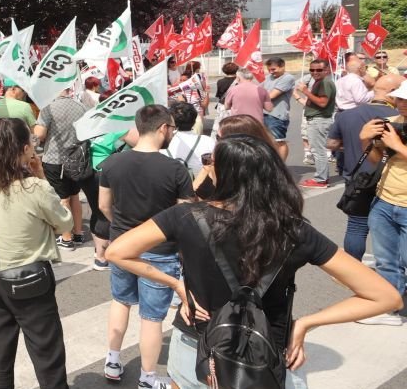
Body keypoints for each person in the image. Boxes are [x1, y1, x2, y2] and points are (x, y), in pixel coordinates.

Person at [106, 135, 403, 388]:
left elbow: (117, 252)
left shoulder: (184, 216)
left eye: (211, 160)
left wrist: (176, 285)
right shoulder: (294, 229)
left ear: (224, 172)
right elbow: (386, 297)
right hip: (266, 351)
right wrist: (306, 324)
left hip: (196, 341)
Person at [98, 104, 193, 389]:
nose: (172, 133)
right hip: (161, 249)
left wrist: (124, 229)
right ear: (163, 128)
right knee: (151, 317)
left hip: (121, 245)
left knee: (121, 300)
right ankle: (148, 378)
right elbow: (184, 215)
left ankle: (112, 361)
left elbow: (104, 205)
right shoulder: (175, 169)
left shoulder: (113, 163)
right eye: (172, 128)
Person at [0, 118, 73, 389]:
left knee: (1, 357)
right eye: (30, 141)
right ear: (24, 149)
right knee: (48, 358)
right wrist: (41, 176)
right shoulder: (35, 188)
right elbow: (66, 223)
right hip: (29, 279)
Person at [326, 74, 402, 260]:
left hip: (357, 176)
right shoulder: (396, 118)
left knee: (357, 225)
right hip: (387, 178)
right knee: (394, 229)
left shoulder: (347, 115)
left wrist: (352, 143)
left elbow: (331, 144)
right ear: (392, 94)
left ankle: (355, 268)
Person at [359, 83, 407, 325]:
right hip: (385, 199)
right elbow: (374, 159)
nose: (403, 105)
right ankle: (390, 309)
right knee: (386, 260)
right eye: (400, 99)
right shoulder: (392, 123)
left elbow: (398, 150)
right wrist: (366, 139)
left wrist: (398, 146)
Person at [33, 88, 94, 250]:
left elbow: (39, 134)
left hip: (55, 159)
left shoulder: (48, 108)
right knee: (74, 195)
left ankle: (66, 238)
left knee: (62, 198)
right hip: (76, 158)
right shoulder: (80, 105)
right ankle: (78, 233)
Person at [298, 59, 337, 188]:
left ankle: (321, 179)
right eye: (312, 70)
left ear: (326, 70)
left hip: (319, 120)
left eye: (319, 70)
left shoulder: (325, 82)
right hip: (318, 119)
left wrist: (305, 92)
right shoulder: (320, 82)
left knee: (318, 151)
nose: (315, 72)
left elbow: (322, 102)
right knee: (318, 149)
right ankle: (322, 177)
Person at [162, 101, 216, 180]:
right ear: (194, 120)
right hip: (198, 186)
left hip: (170, 185)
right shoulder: (208, 141)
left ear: (171, 121)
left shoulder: (163, 142)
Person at [262, 57, 298, 161]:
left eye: (273, 69)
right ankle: (272, 163)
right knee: (268, 142)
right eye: (269, 70)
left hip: (277, 115)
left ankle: (281, 166)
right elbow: (259, 90)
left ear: (282, 67)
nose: (271, 72)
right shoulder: (269, 77)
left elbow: (271, 95)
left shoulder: (288, 78)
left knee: (279, 141)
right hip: (264, 114)